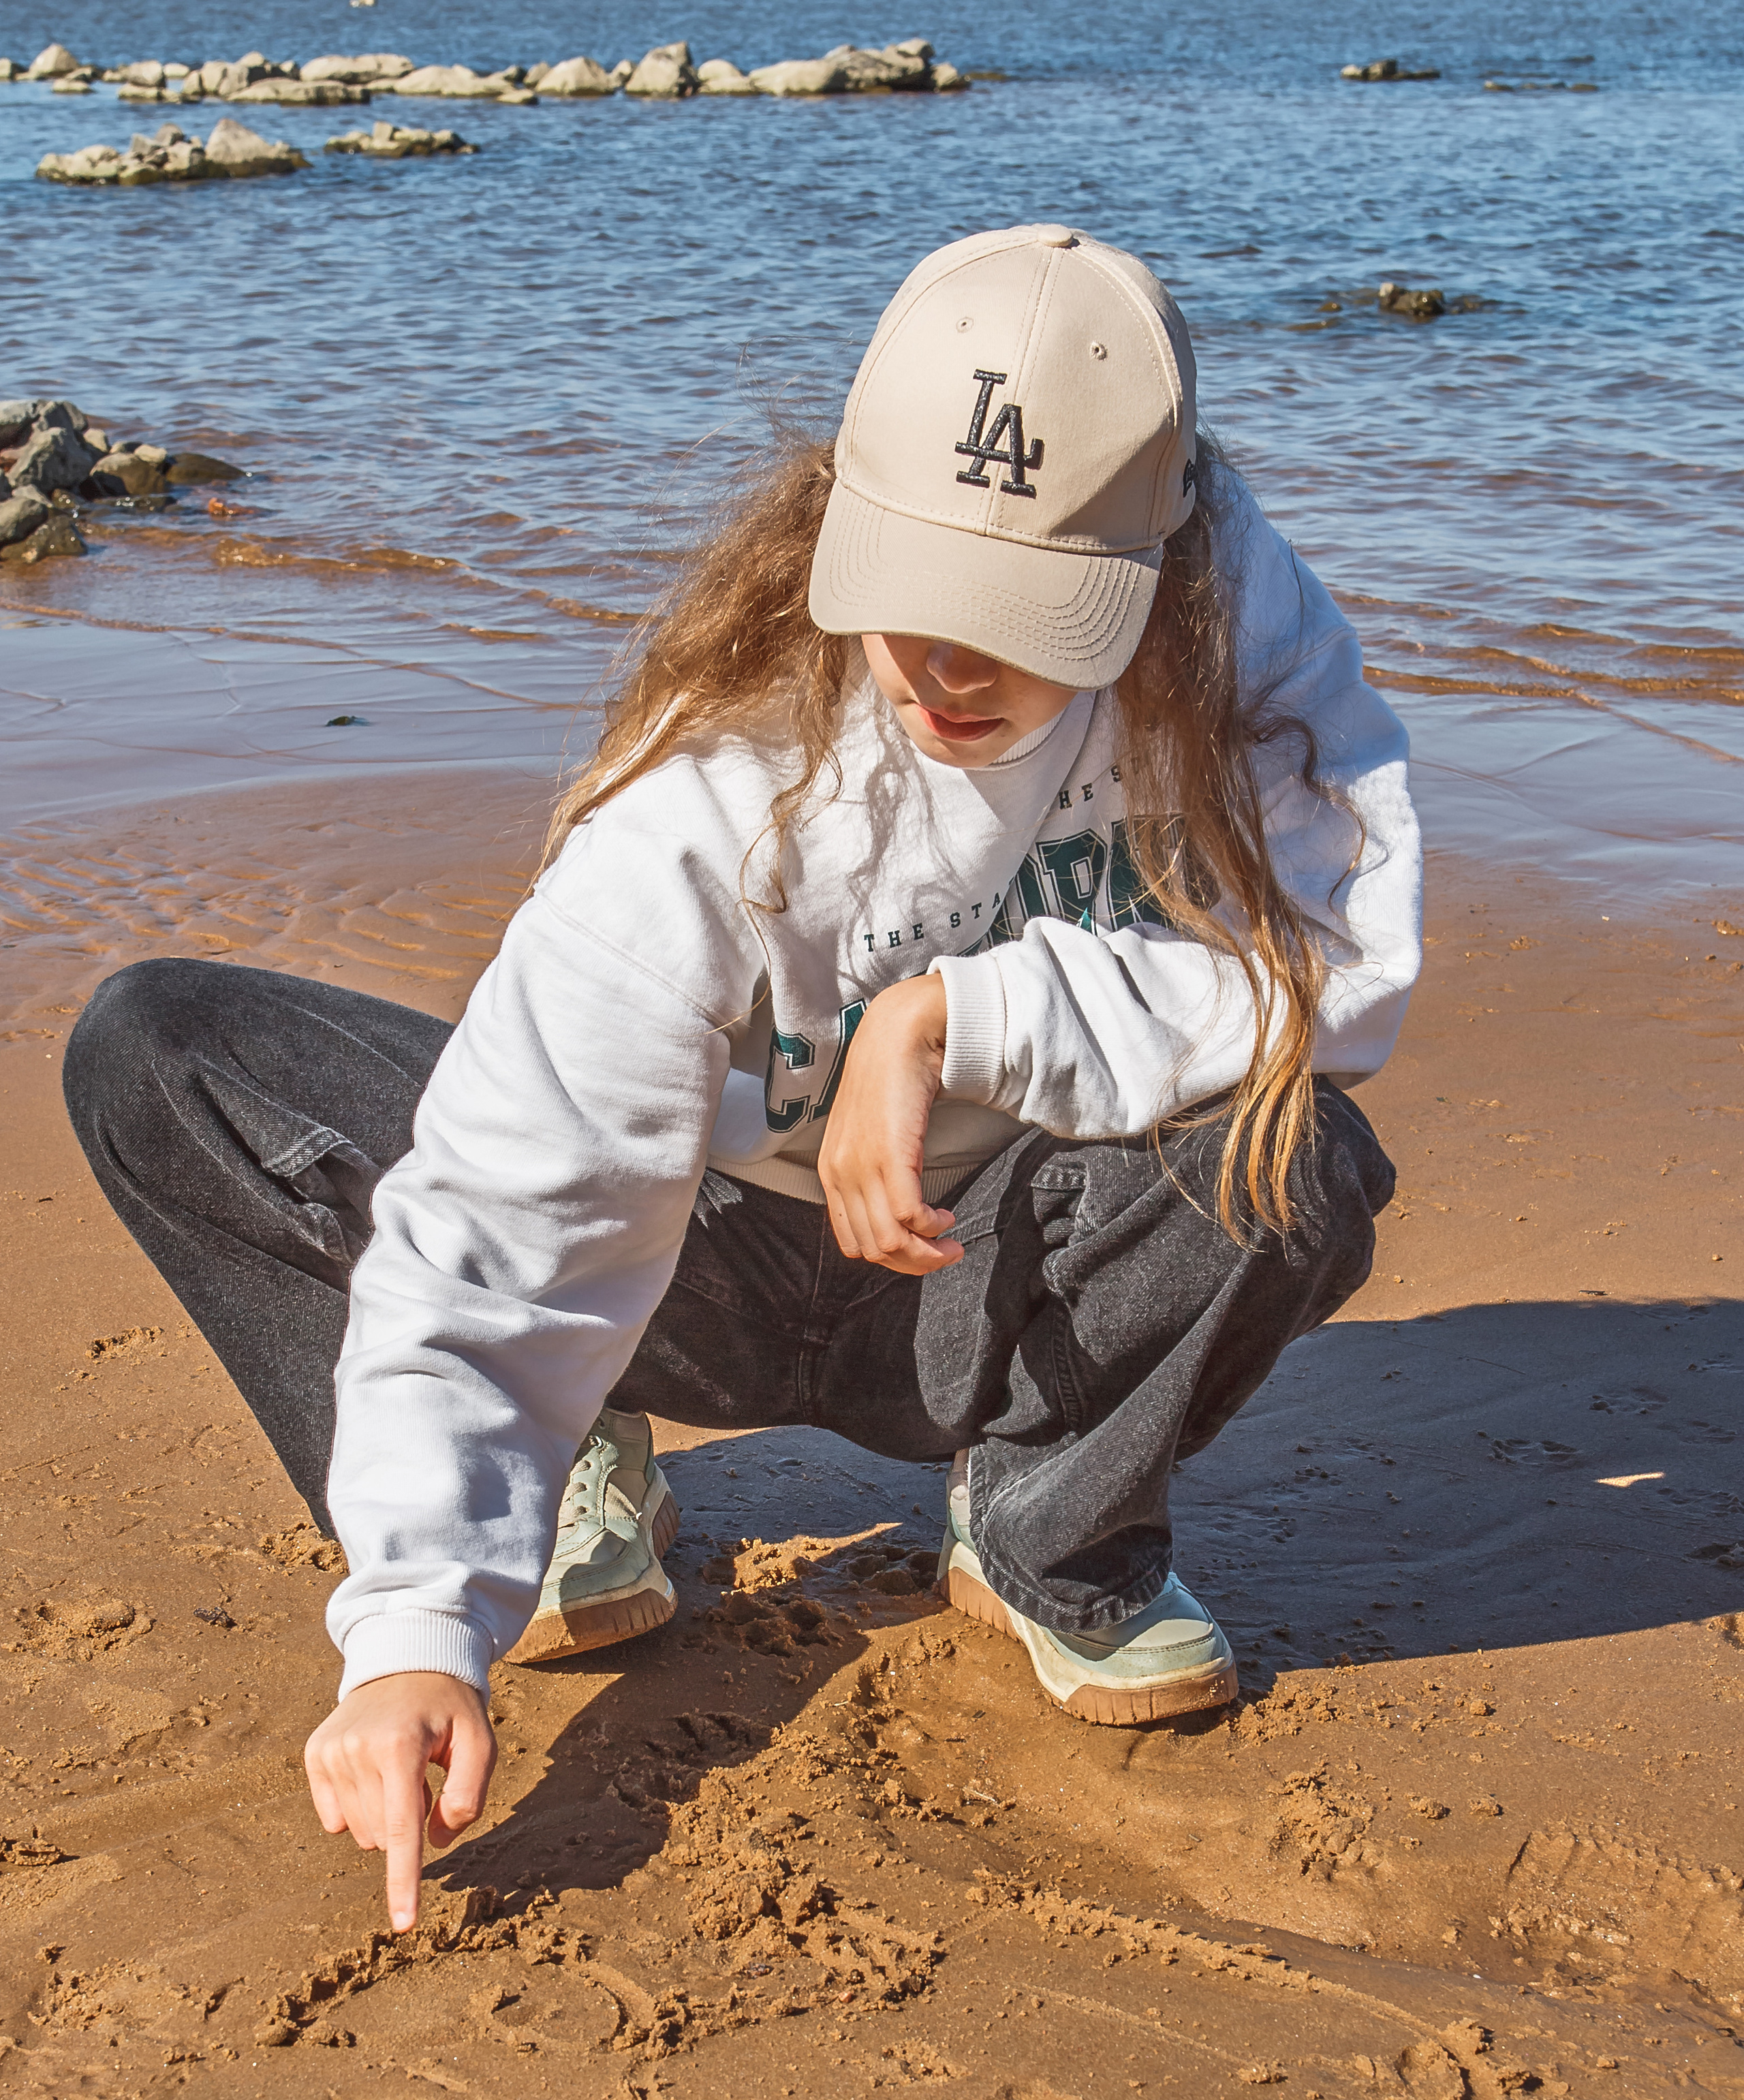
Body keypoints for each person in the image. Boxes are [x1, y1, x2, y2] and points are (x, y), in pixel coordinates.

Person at [64, 225, 1420, 1931]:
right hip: (681, 1264)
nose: (939, 661)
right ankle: (553, 1488)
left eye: (1017, 616)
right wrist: (415, 1626)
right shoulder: (723, 782)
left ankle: (1044, 1526)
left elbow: (1335, 970)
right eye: (906, 581)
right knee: (157, 1050)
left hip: (983, 1277)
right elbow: (505, 1207)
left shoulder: (1234, 621)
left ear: (1158, 558)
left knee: (1293, 1157)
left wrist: (953, 1016)